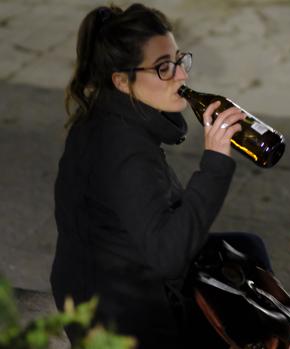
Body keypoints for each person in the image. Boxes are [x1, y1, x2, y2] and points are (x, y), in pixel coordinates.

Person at [50, 4, 271, 348]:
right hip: (122, 320)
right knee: (247, 312)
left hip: (105, 283)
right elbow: (168, 256)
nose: (182, 76)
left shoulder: (108, 116)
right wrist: (214, 161)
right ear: (121, 80)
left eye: (179, 60)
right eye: (163, 68)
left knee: (248, 248)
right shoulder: (126, 152)